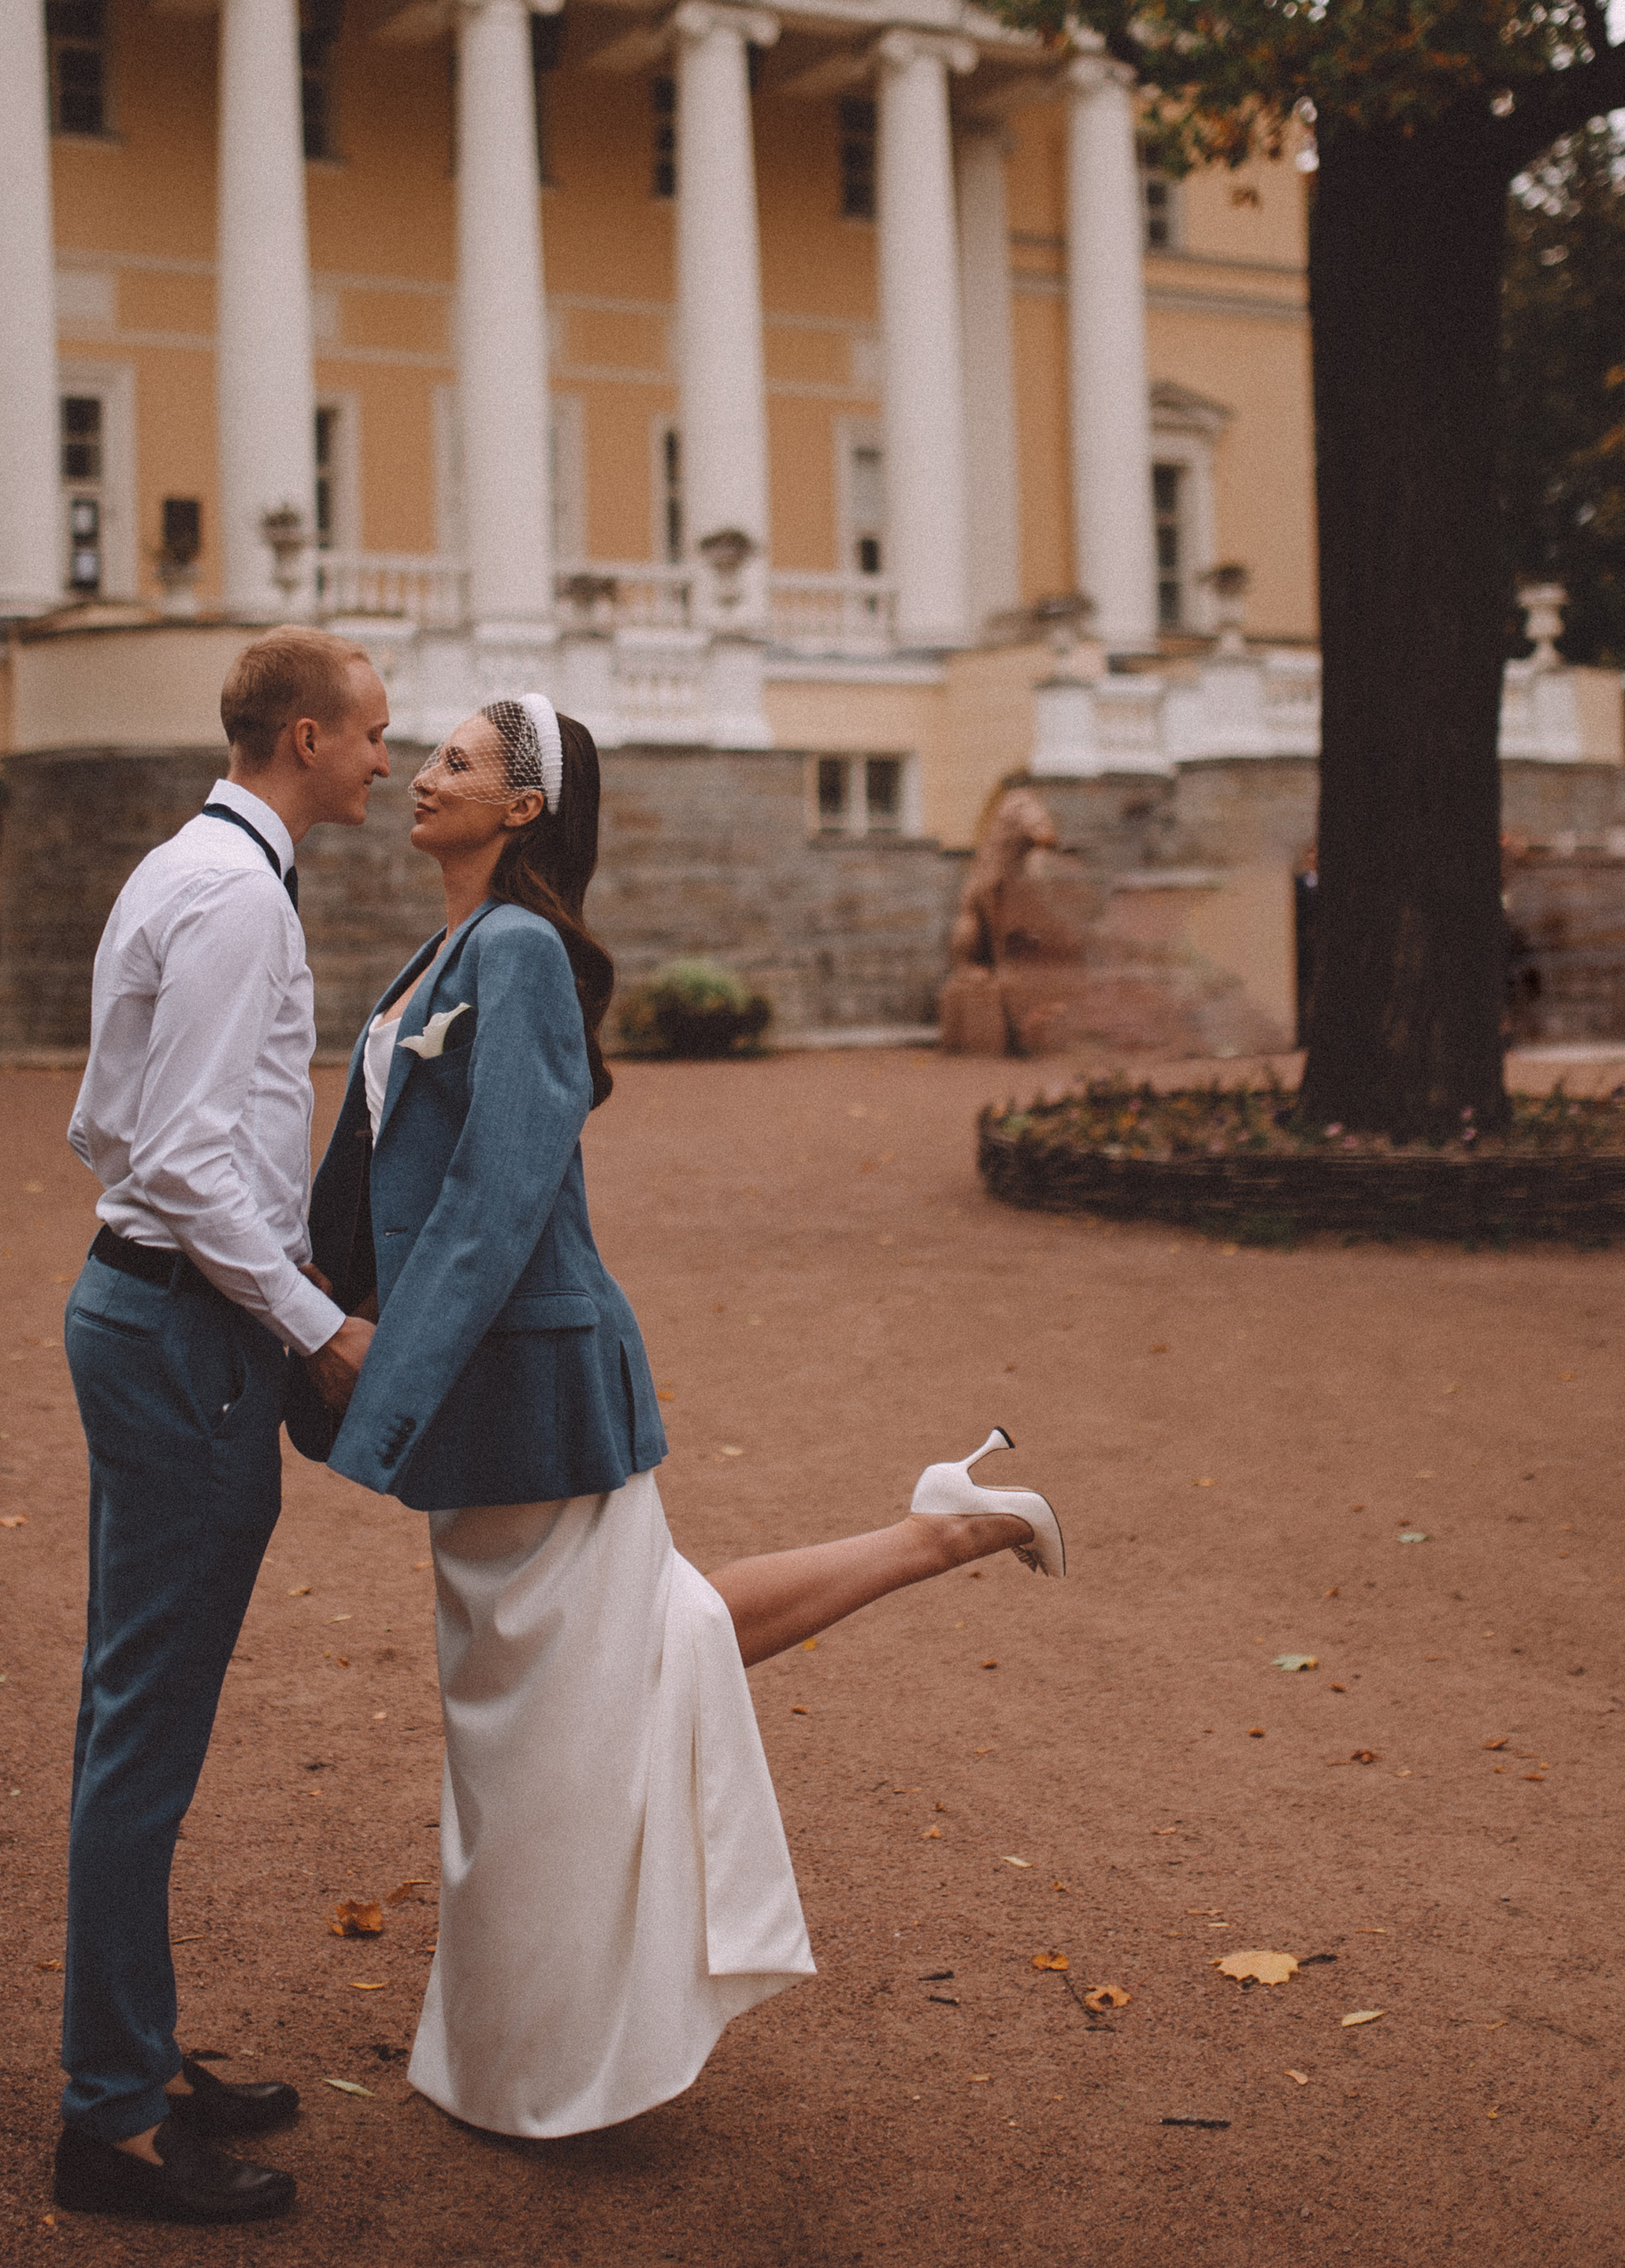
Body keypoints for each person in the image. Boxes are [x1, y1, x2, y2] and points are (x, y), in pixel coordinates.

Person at [306, 695, 1065, 2140]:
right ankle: (941, 1526)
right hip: (485, 1392)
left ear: (523, 808)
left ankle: (548, 2062)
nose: (422, 773)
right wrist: (302, 1317)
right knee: (621, 1663)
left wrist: (378, 1387)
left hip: (531, 1385)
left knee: (564, 1724)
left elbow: (497, 1196)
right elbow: (375, 1174)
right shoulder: (449, 948)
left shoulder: (517, 951)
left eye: (459, 760)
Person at [52, 626, 388, 2223]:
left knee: (132, 1717)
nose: (387, 762)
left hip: (150, 1315)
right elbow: (176, 1156)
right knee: (144, 1732)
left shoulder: (180, 862)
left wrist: (262, 1243)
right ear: (306, 739)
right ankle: (109, 2122)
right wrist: (313, 1323)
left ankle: (133, 2044)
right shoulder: (240, 893)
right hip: (182, 1336)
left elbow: (109, 1122)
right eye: (375, 737)